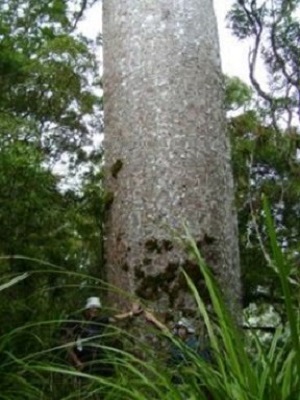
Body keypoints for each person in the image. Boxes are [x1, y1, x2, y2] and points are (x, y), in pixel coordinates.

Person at [61, 296, 142, 376]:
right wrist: (76, 361)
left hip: (93, 357)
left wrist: (131, 313)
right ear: (87, 309)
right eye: (92, 307)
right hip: (78, 357)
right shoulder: (77, 320)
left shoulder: (99, 320)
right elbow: (65, 341)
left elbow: (115, 319)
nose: (95, 310)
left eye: (97, 308)